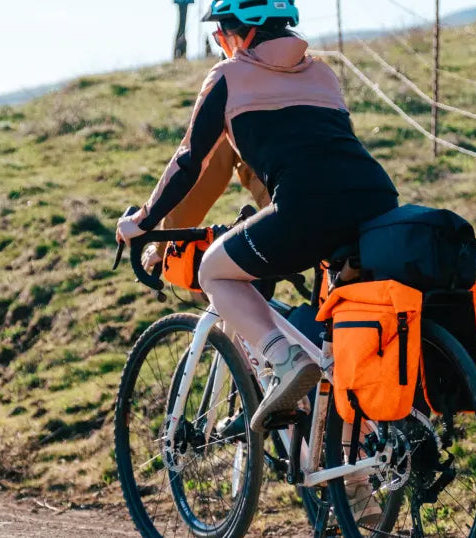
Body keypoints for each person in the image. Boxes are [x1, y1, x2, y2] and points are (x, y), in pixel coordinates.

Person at [116, 0, 398, 434]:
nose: (220, 43)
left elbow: (190, 159)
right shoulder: (323, 73)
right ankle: (355, 486)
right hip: (378, 201)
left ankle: (284, 360)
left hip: (305, 207)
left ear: (245, 33)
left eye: (221, 33)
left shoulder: (228, 77)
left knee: (215, 270)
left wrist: (145, 220)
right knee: (337, 354)